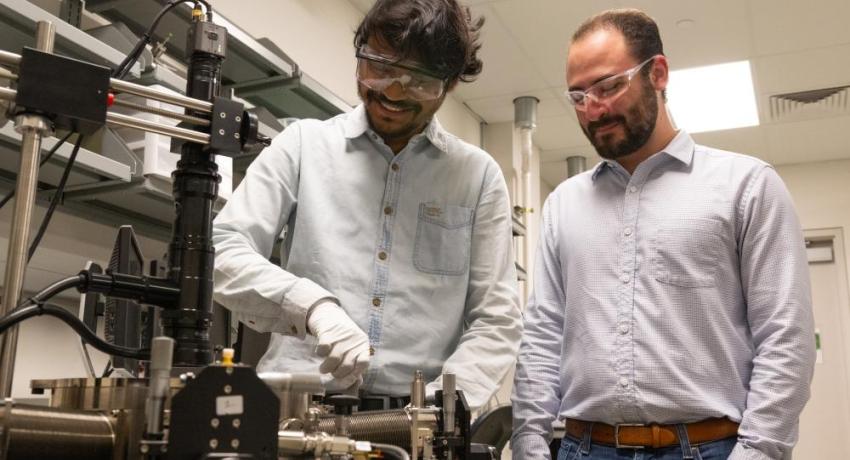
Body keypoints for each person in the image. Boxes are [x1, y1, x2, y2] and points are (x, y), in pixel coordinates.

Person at [511, 8, 815, 460]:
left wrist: (758, 452)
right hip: (583, 448)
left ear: (658, 72)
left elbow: (785, 337)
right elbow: (543, 335)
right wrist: (529, 443)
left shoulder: (746, 186)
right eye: (578, 96)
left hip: (711, 448)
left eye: (609, 86)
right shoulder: (564, 204)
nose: (593, 108)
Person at [212, 0, 522, 411]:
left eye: (420, 82)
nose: (393, 91)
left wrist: (441, 406)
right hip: (299, 407)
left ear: (450, 85)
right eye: (380, 67)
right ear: (360, 53)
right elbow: (222, 252)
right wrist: (312, 307)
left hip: (418, 418)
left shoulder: (477, 176)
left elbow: (496, 319)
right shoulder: (303, 144)